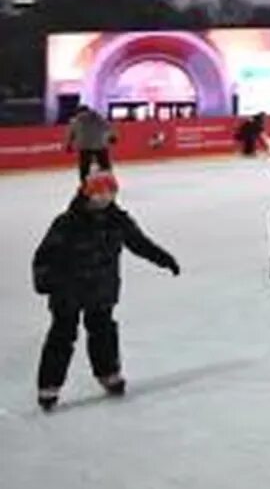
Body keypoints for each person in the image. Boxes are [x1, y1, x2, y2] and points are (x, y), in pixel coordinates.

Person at [31, 170, 180, 412]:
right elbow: (44, 255)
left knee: (103, 331)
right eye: (99, 193)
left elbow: (139, 243)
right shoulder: (67, 222)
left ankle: (108, 372)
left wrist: (164, 259)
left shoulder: (118, 220)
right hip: (68, 290)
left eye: (110, 192)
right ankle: (49, 386)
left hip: (101, 288)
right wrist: (44, 281)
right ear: (87, 194)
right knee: (62, 335)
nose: (105, 198)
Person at [64, 105, 115, 182]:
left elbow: (107, 127)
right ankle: (86, 183)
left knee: (101, 166)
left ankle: (106, 181)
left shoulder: (96, 118)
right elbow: (72, 134)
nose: (83, 116)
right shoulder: (77, 121)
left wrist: (112, 135)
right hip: (91, 146)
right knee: (87, 168)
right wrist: (69, 144)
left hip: (96, 146)